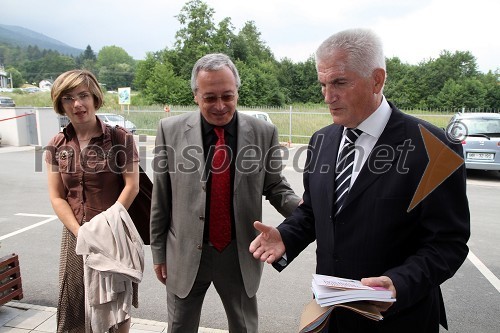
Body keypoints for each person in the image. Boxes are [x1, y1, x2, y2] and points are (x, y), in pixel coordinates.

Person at [249, 28, 470, 333]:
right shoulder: (321, 141)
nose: (328, 96)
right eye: (323, 84)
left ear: (377, 79)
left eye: (339, 82)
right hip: (330, 315)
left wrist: (397, 284)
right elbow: (314, 212)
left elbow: (448, 244)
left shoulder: (435, 148)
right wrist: (286, 236)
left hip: (400, 319)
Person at [150, 53, 301, 333]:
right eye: (210, 98)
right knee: (179, 327)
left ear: (237, 93)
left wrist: (306, 210)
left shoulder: (263, 132)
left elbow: (275, 186)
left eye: (227, 96)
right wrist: (159, 252)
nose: (220, 106)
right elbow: (161, 196)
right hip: (184, 253)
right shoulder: (169, 130)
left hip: (239, 253)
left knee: (244, 328)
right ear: (196, 95)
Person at [45, 69, 140, 333]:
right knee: (75, 302)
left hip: (112, 232)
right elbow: (56, 196)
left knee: (115, 304)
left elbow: (132, 186)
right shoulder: (56, 144)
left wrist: (104, 227)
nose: (77, 104)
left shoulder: (120, 138)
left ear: (95, 98)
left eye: (83, 95)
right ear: (60, 104)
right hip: (75, 234)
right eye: (68, 98)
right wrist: (81, 233)